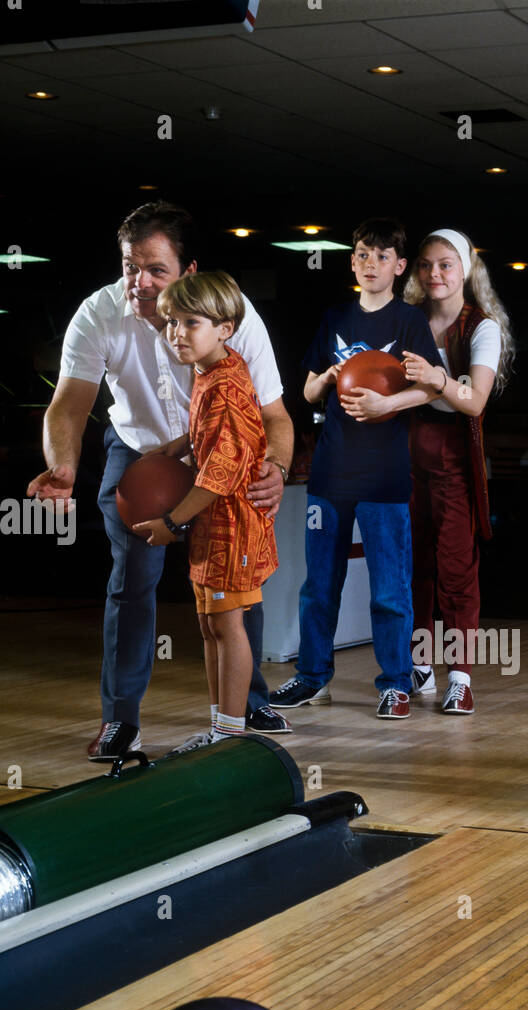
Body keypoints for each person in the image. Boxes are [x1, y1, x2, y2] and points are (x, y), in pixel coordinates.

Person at [26, 201, 294, 760]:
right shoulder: (99, 312)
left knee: (232, 582)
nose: (139, 283)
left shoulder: (232, 318)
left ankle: (244, 707)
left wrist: (279, 468)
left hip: (219, 458)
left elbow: (273, 418)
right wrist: (64, 466)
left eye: (155, 270)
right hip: (143, 450)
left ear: (188, 271)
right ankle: (121, 720)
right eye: (130, 267)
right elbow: (69, 404)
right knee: (133, 581)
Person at [269, 217, 443, 720]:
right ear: (351, 261)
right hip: (330, 474)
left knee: (391, 586)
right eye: (364, 255)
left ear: (400, 266)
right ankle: (313, 676)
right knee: (319, 583)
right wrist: (325, 379)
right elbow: (304, 392)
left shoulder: (409, 321)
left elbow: (432, 386)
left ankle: (394, 682)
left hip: (385, 475)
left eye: (383, 256)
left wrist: (390, 406)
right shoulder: (334, 316)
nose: (372, 264)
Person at [131, 271, 277, 747]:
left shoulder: (226, 389)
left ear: (225, 329)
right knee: (210, 623)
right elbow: (203, 439)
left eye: (191, 323)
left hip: (232, 524)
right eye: (172, 322)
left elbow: (219, 474)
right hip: (214, 524)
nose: (177, 333)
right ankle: (220, 727)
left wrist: (172, 522)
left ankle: (230, 735)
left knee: (227, 624)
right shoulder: (209, 371)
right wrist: (171, 450)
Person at [400, 228, 513, 714]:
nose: (434, 274)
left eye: (445, 264)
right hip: (405, 447)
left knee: (456, 566)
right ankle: (420, 665)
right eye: (426, 264)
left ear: (466, 269)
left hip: (453, 453)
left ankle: (461, 676)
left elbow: (475, 401)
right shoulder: (407, 320)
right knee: (411, 564)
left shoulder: (482, 326)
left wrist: (436, 379)